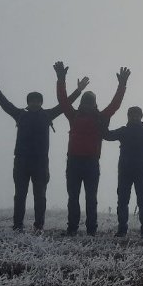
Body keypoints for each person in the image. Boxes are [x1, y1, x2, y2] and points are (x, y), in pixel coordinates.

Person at [0, 70, 86, 232]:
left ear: (41, 102)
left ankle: (39, 225)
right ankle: (18, 224)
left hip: (40, 163)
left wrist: (78, 91)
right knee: (19, 195)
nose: (35, 103)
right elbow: (4, 103)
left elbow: (64, 105)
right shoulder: (20, 114)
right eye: (32, 101)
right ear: (28, 102)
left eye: (37, 101)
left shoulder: (48, 115)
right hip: (21, 162)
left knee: (40, 196)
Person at [55, 61, 129, 236]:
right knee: (73, 198)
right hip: (74, 161)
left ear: (94, 103)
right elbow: (63, 100)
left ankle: (91, 229)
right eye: (86, 102)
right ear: (82, 103)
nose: (88, 104)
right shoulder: (73, 115)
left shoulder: (100, 117)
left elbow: (115, 105)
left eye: (90, 102)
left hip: (90, 162)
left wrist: (122, 85)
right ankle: (72, 228)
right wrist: (61, 79)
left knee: (90, 198)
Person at [105, 106, 143, 237]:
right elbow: (107, 135)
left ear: (140, 116)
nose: (134, 117)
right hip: (128, 172)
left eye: (137, 115)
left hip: (135, 171)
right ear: (128, 116)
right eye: (132, 115)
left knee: (140, 201)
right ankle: (125, 229)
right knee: (125, 201)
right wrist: (104, 118)